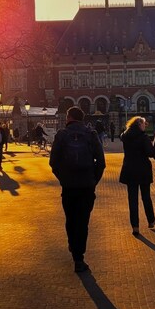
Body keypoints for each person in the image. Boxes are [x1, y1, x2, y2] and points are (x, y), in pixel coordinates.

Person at [49, 106, 106, 273]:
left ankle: (73, 246)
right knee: (83, 221)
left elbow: (53, 162)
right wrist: (93, 180)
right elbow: (101, 162)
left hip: (69, 186)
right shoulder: (91, 134)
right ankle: (79, 258)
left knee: (70, 218)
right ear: (82, 118)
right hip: (87, 185)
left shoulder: (61, 135)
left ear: (68, 117)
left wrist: (63, 178)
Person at [119, 116, 155, 235]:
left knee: (132, 199)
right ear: (139, 124)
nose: (145, 125)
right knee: (146, 197)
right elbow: (150, 153)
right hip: (143, 169)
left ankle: (135, 226)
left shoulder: (125, 137)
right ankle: (151, 220)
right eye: (144, 123)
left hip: (129, 169)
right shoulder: (143, 137)